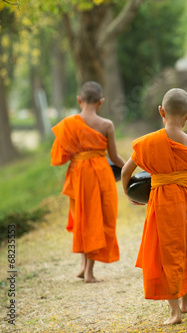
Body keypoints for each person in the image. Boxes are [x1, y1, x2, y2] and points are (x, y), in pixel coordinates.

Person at [121, 88, 187, 325]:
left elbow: (126, 172)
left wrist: (130, 194)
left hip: (161, 204)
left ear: (161, 111)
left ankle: (175, 312)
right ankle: (186, 302)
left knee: (167, 253)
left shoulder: (148, 143)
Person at [51, 81, 125, 283]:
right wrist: (131, 169)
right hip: (100, 175)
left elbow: (59, 157)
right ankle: (89, 272)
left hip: (78, 175)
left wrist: (78, 152)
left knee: (82, 218)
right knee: (97, 219)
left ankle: (84, 266)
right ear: (101, 102)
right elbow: (115, 158)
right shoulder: (106, 125)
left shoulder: (69, 123)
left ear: (79, 100)